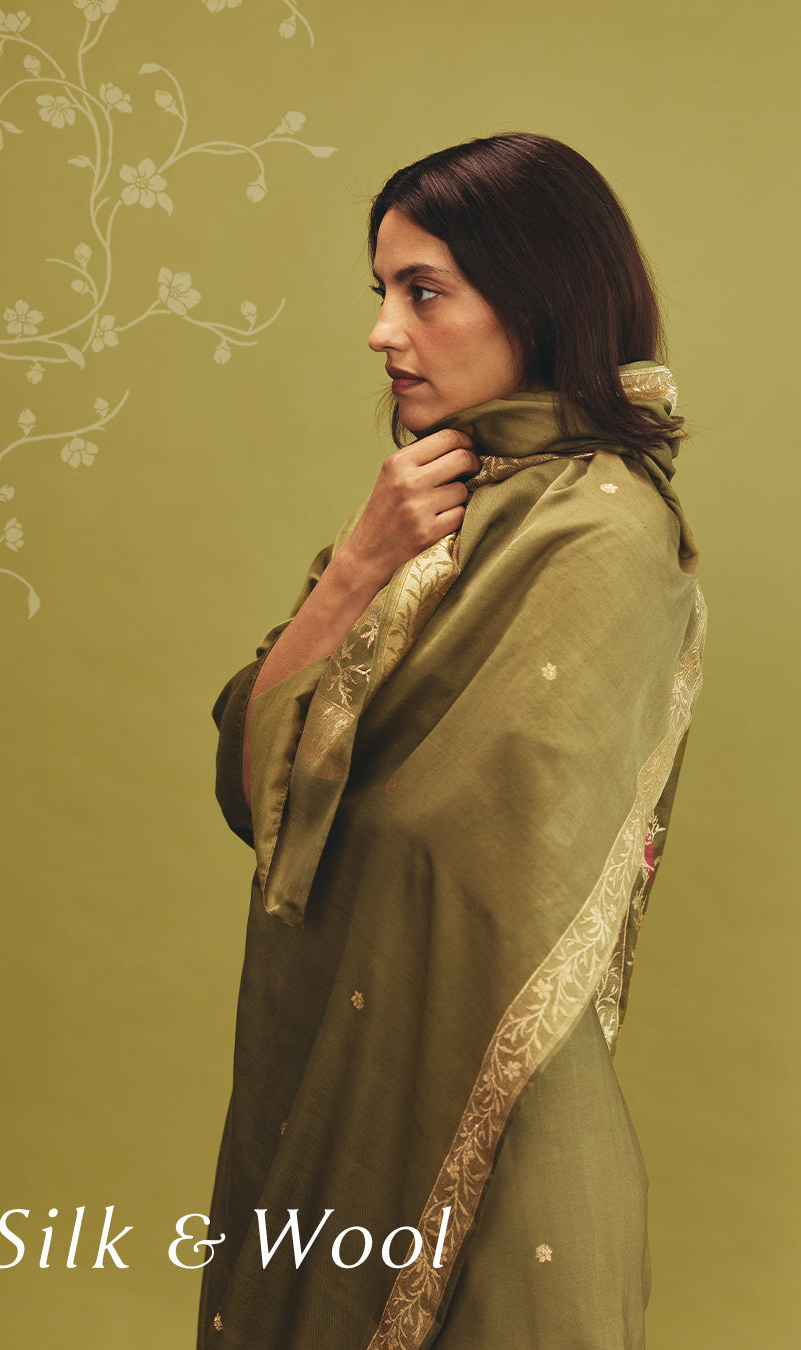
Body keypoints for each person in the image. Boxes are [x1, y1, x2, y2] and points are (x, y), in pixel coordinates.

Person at [197, 133, 706, 1349]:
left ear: (538, 298)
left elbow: (483, 856)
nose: (383, 331)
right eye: (381, 291)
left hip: (499, 1142)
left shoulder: (606, 535)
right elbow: (249, 779)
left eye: (422, 292)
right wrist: (355, 569)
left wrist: (334, 763)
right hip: (336, 1073)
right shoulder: (429, 511)